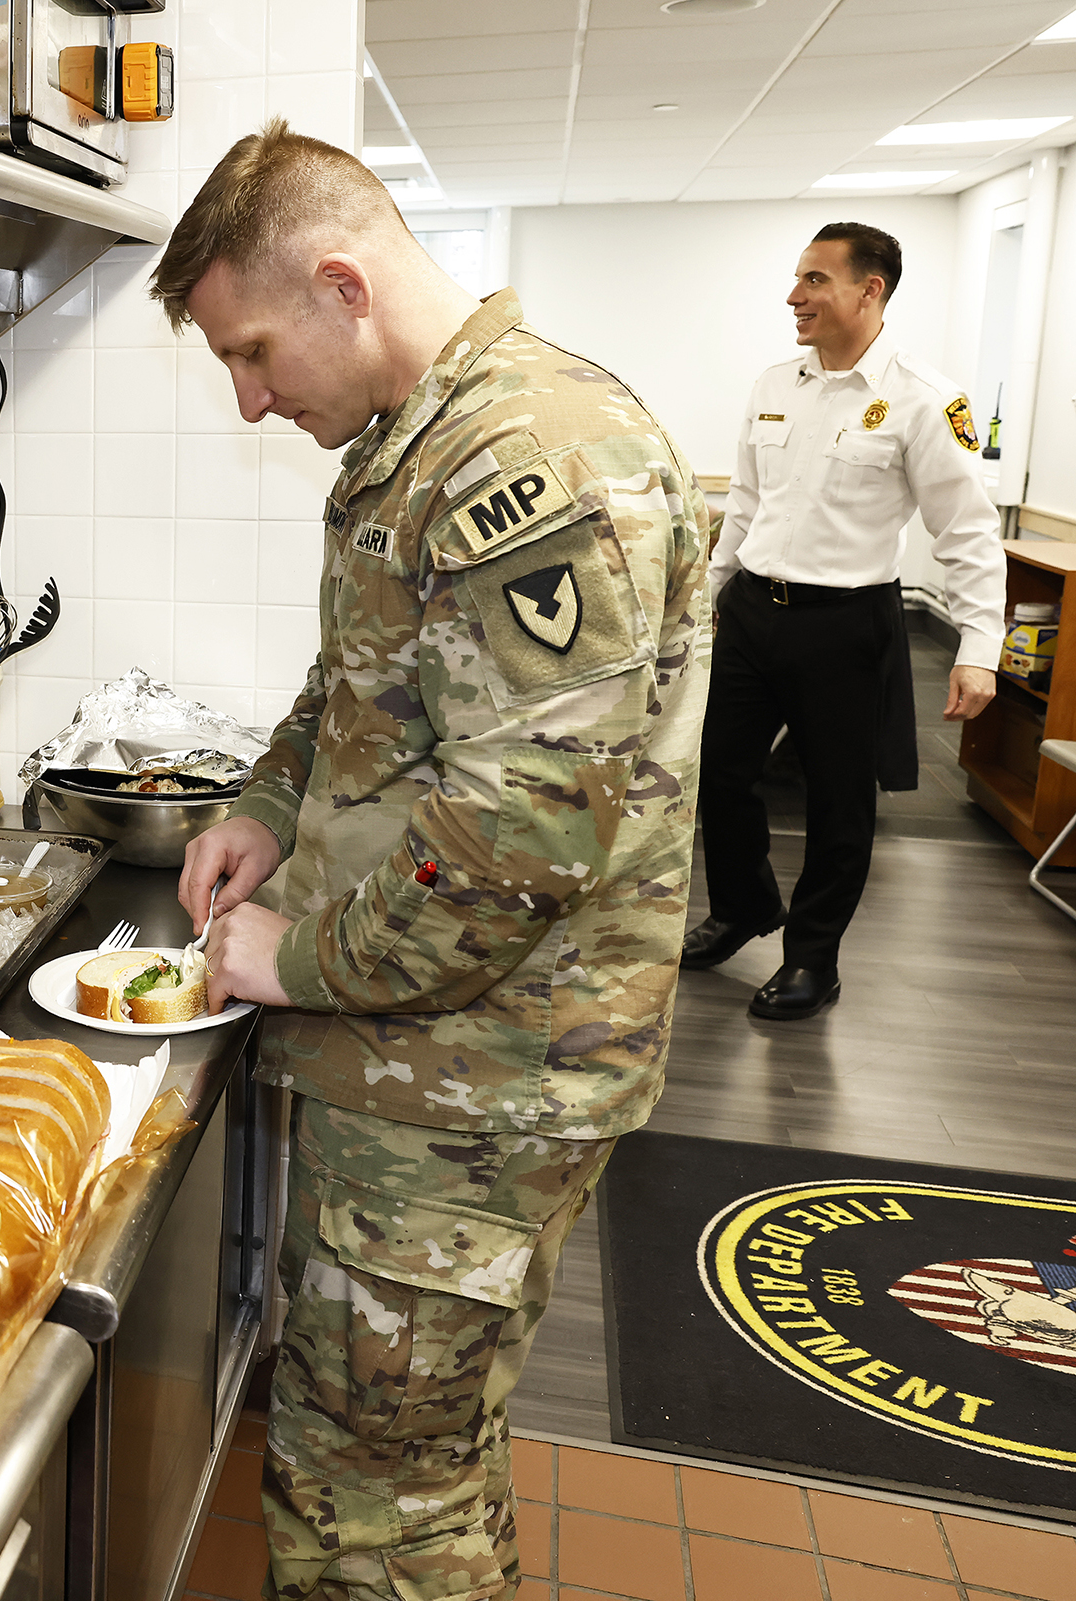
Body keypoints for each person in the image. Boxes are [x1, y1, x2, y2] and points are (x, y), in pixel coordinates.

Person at [152, 119, 711, 1600]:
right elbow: (359, 688)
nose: (254, 399)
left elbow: (525, 835)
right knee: (419, 1462)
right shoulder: (424, 444)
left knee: (370, 1509)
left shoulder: (527, 459)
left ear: (344, 284)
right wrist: (268, 806)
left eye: (253, 353)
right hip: (424, 1060)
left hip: (474, 1077)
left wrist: (297, 954)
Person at [682, 222, 1005, 1020]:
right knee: (716, 771)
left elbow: (965, 529)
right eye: (797, 278)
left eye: (817, 280)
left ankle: (812, 958)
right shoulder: (774, 385)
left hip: (847, 626)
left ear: (872, 290)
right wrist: (708, 602)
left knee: (838, 802)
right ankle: (743, 906)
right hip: (753, 612)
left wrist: (979, 647)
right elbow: (746, 508)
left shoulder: (926, 400)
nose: (796, 296)